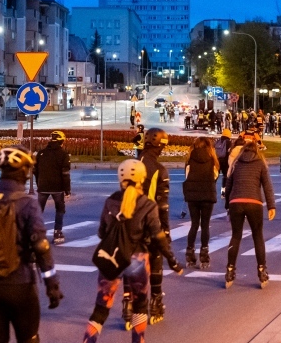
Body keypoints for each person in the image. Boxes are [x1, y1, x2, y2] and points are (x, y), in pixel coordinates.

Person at [82, 159, 183, 343]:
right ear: (142, 179)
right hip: (137, 260)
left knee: (101, 308)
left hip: (112, 258)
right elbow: (157, 236)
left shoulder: (111, 201)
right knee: (140, 307)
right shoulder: (147, 204)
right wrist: (172, 260)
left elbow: (102, 232)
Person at [0, 145, 63, 343]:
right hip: (20, 285)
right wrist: (52, 284)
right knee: (29, 338)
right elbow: (41, 246)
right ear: (23, 171)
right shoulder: (27, 203)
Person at [138, 127, 183, 324]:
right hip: (150, 222)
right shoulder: (159, 169)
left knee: (132, 263)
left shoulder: (131, 165)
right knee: (156, 260)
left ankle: (128, 303)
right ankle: (155, 303)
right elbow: (162, 204)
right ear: (161, 145)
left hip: (130, 223)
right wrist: (165, 230)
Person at [224, 141, 276, 289]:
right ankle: (262, 271)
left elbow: (229, 185)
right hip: (254, 202)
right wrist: (271, 206)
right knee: (257, 236)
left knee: (236, 236)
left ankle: (230, 270)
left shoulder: (236, 163)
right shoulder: (260, 163)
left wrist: (228, 204)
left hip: (236, 201)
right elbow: (267, 186)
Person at [183, 137, 219, 269]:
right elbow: (215, 176)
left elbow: (186, 177)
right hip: (207, 196)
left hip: (192, 196)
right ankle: (204, 255)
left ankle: (190, 254)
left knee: (194, 224)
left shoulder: (189, 160)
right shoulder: (212, 160)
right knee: (205, 225)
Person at [33, 130, 71, 245]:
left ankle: (35, 233)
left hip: (42, 187)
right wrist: (67, 190)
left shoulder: (41, 153)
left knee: (39, 211)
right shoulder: (63, 154)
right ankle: (57, 233)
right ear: (61, 141)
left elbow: (35, 171)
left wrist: (39, 184)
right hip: (57, 188)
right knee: (60, 209)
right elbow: (65, 174)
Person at [215, 128, 232, 198]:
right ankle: (223, 192)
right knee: (225, 177)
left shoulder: (218, 141)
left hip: (217, 161)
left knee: (215, 176)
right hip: (225, 161)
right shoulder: (229, 142)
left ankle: (211, 190)